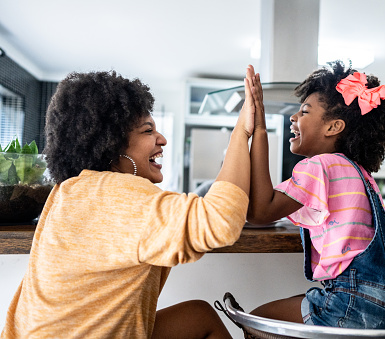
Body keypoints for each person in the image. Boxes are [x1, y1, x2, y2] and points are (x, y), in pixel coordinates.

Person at [1, 68, 257, 339]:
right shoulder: (113, 194)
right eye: (148, 131)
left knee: (199, 316)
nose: (162, 140)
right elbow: (220, 221)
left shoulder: (73, 190)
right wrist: (240, 133)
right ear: (112, 145)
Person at [246, 62, 385, 329]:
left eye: (304, 111)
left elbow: (259, 212)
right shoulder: (359, 172)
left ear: (333, 127)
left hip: (351, 304)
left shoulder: (319, 165)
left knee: (256, 321)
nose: (293, 117)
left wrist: (260, 129)